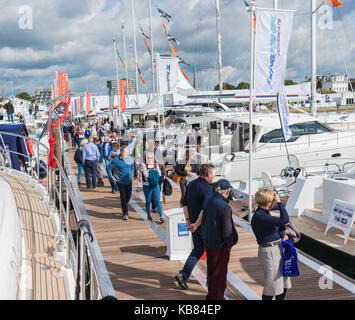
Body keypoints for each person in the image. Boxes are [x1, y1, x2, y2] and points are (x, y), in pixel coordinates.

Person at [175, 164, 216, 290]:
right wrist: (197, 224)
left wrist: (189, 222)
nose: (214, 175)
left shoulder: (192, 184)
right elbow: (204, 209)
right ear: (209, 174)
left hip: (192, 223)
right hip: (203, 226)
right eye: (214, 173)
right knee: (212, 253)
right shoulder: (208, 189)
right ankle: (211, 281)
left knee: (197, 250)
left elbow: (184, 203)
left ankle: (183, 274)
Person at [251, 189, 291, 301]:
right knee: (272, 284)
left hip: (277, 248)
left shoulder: (265, 213)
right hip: (270, 252)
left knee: (283, 282)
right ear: (269, 202)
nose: (273, 202)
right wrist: (279, 203)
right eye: (272, 201)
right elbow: (284, 219)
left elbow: (274, 227)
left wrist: (282, 235)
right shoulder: (260, 216)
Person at [203, 179, 238, 300]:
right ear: (227, 191)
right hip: (220, 246)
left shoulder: (208, 201)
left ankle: (211, 296)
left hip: (209, 243)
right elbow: (227, 230)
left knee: (212, 272)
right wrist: (229, 244)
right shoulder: (225, 207)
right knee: (220, 276)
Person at [107, 145, 134, 220]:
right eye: (126, 152)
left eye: (128, 152)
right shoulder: (116, 160)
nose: (127, 153)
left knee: (128, 196)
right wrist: (111, 177)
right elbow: (108, 168)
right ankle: (125, 213)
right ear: (121, 152)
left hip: (129, 180)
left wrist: (132, 173)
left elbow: (132, 167)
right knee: (123, 197)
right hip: (120, 181)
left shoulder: (129, 159)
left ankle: (124, 206)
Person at [139, 152, 165, 223]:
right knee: (148, 201)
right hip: (147, 186)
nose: (150, 159)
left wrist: (152, 173)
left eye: (151, 158)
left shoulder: (155, 164)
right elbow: (146, 175)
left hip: (155, 185)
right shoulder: (144, 165)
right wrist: (154, 173)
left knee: (158, 201)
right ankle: (148, 215)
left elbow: (159, 174)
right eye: (148, 158)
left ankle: (161, 216)